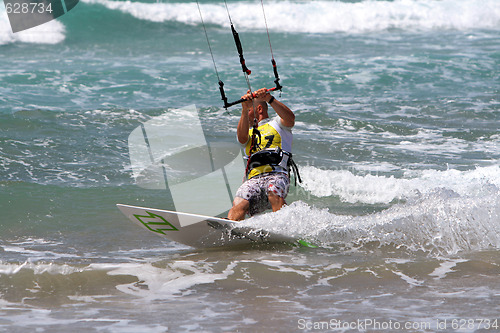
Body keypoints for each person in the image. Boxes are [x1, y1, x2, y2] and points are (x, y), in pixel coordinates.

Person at [228, 87, 296, 221]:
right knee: (239, 201)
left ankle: (284, 224)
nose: (247, 113)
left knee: (273, 191)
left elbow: (290, 118)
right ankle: (231, 227)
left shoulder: (278, 124)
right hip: (254, 180)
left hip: (277, 175)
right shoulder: (248, 132)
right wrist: (244, 109)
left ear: (259, 109)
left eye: (249, 110)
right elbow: (241, 139)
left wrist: (268, 99)